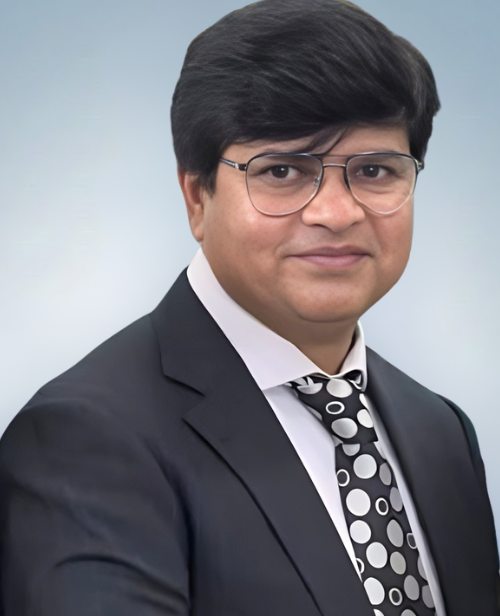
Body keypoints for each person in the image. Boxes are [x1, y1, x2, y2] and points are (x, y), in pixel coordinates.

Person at [0, 0, 498, 614]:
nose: (337, 213)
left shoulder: (442, 432)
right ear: (197, 197)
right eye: (283, 171)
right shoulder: (84, 441)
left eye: (374, 170)